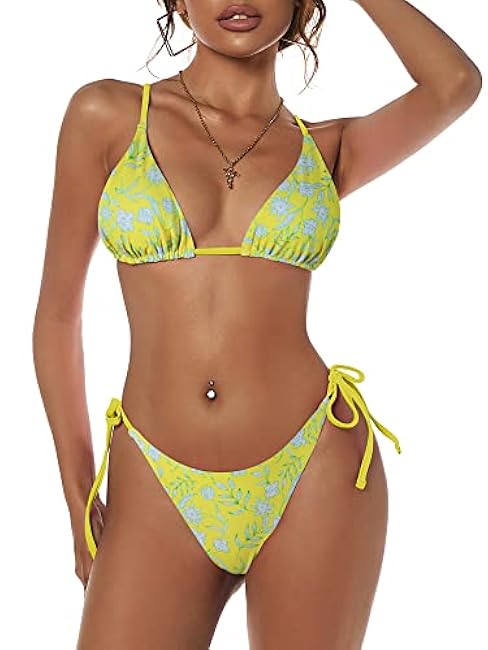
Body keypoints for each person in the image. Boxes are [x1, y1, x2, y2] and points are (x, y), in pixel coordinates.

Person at [32, 1, 481, 648]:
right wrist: (78, 493)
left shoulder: (326, 149)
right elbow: (58, 313)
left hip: (314, 468)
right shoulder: (106, 114)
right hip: (155, 482)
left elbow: (455, 83)